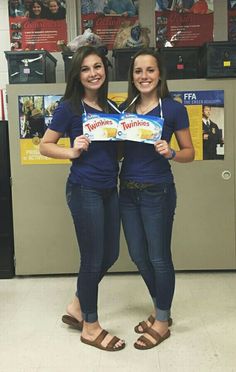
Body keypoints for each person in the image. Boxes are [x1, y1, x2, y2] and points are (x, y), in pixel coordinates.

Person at [39, 46, 125, 352]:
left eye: (98, 67)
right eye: (86, 68)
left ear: (105, 70)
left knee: (110, 253)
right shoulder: (69, 108)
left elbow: (117, 149)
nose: (93, 73)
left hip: (108, 188)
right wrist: (71, 151)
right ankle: (90, 326)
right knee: (91, 258)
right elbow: (45, 145)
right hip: (83, 188)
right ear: (78, 74)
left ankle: (77, 304)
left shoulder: (114, 110)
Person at [119, 48, 194, 350]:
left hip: (157, 191)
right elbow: (121, 152)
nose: (144, 76)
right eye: (138, 71)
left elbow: (189, 152)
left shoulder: (173, 109)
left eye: (150, 70)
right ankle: (160, 306)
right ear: (132, 76)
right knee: (138, 255)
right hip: (127, 191)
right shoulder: (124, 109)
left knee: (159, 257)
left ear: (159, 74)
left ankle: (162, 320)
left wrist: (172, 152)